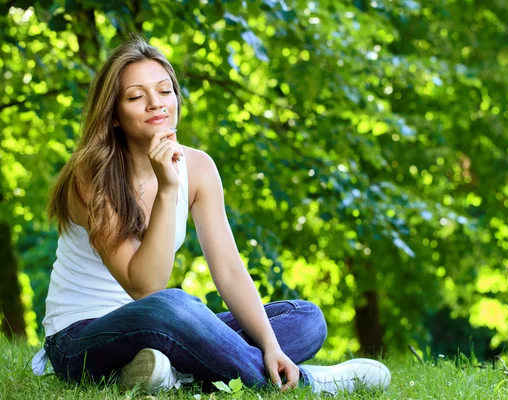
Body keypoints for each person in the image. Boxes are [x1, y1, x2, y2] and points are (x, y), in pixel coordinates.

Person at [30, 33, 391, 395]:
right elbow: (145, 287)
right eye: (137, 97)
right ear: (114, 117)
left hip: (165, 332)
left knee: (305, 319)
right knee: (173, 305)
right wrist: (167, 189)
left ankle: (168, 373)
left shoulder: (199, 167)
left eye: (165, 91)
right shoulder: (89, 176)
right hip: (80, 340)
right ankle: (315, 382)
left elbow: (230, 272)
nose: (156, 104)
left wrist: (270, 344)